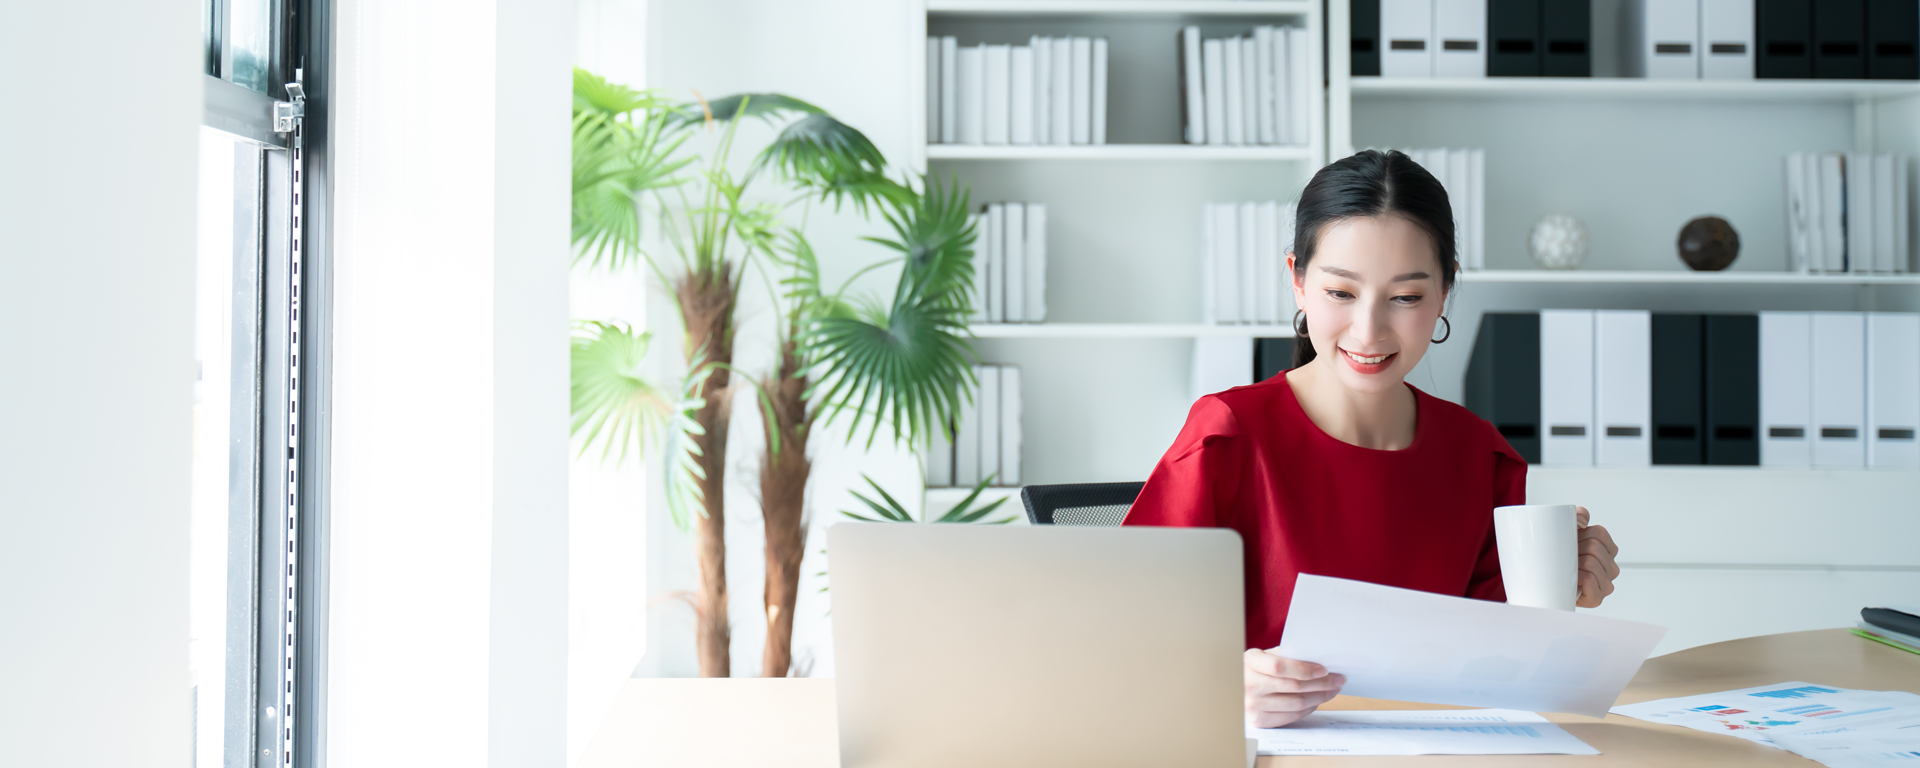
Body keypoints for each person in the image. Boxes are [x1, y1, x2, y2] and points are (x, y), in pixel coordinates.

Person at [1122, 150, 1622, 728]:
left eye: (1406, 297)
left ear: (1444, 292)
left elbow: (1503, 667)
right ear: (1299, 282)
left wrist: (1570, 592)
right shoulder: (1228, 438)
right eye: (1341, 293)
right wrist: (1218, 685)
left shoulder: (1479, 456)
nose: (1369, 330)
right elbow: (1125, 636)